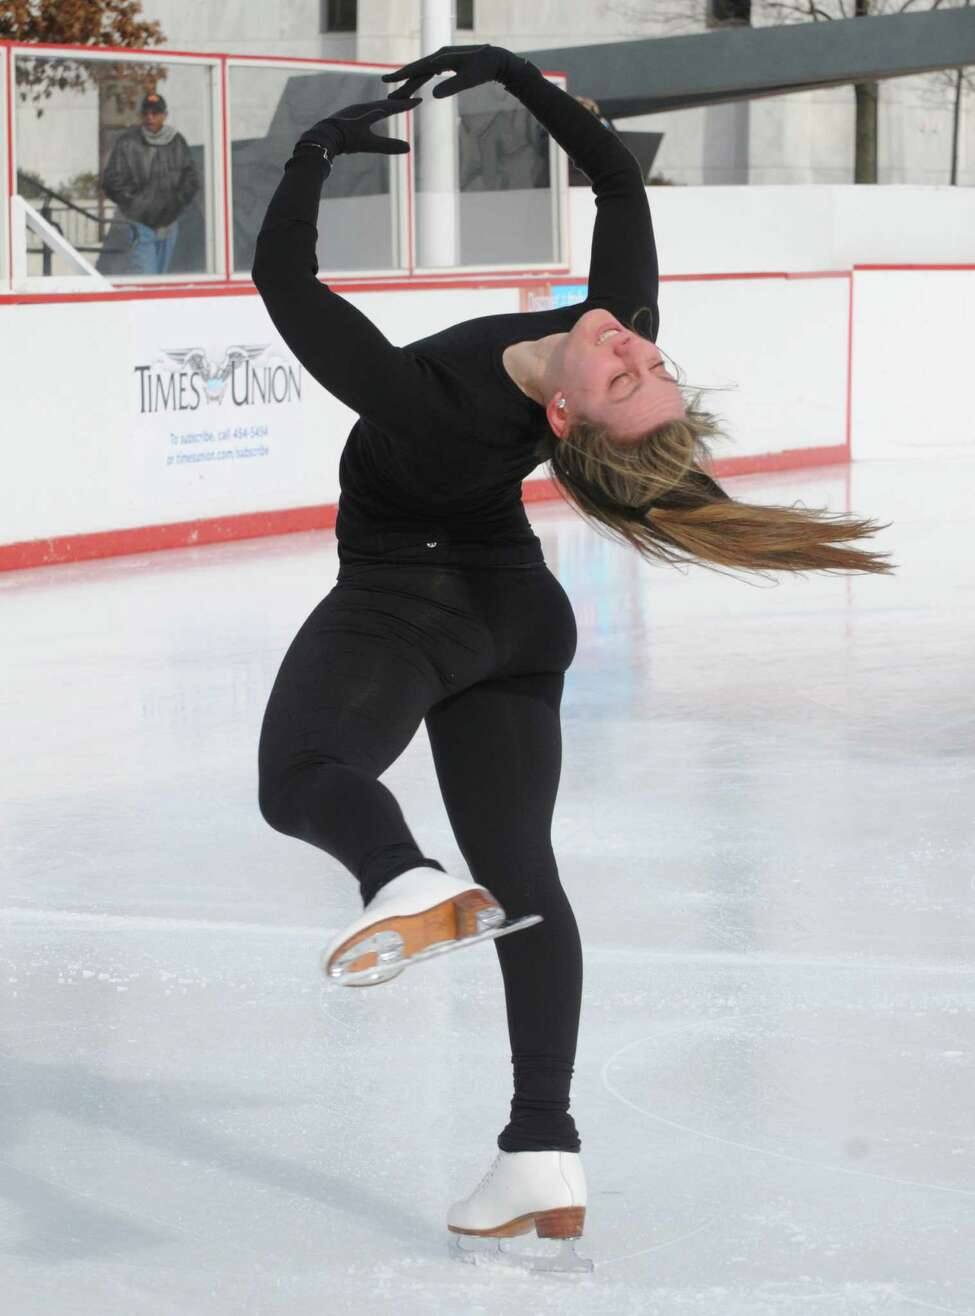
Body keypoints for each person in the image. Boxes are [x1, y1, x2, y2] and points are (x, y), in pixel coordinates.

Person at [250, 45, 894, 1274]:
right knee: (523, 876)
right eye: (651, 364)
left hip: (410, 595)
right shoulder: (612, 332)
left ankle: (396, 872)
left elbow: (286, 282)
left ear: (565, 421)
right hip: (514, 611)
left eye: (626, 376)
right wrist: (514, 74)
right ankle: (541, 1147)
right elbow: (620, 183)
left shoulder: (430, 404)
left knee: (302, 776)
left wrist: (315, 154)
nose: (635, 348)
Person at [100, 92, 199, 276]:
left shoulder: (176, 141)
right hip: (140, 225)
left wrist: (175, 204)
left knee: (160, 280)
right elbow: (112, 181)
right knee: (147, 276)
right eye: (146, 113)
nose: (150, 117)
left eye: (155, 113)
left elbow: (191, 179)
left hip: (169, 225)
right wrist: (138, 206)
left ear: (164, 115)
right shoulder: (128, 141)